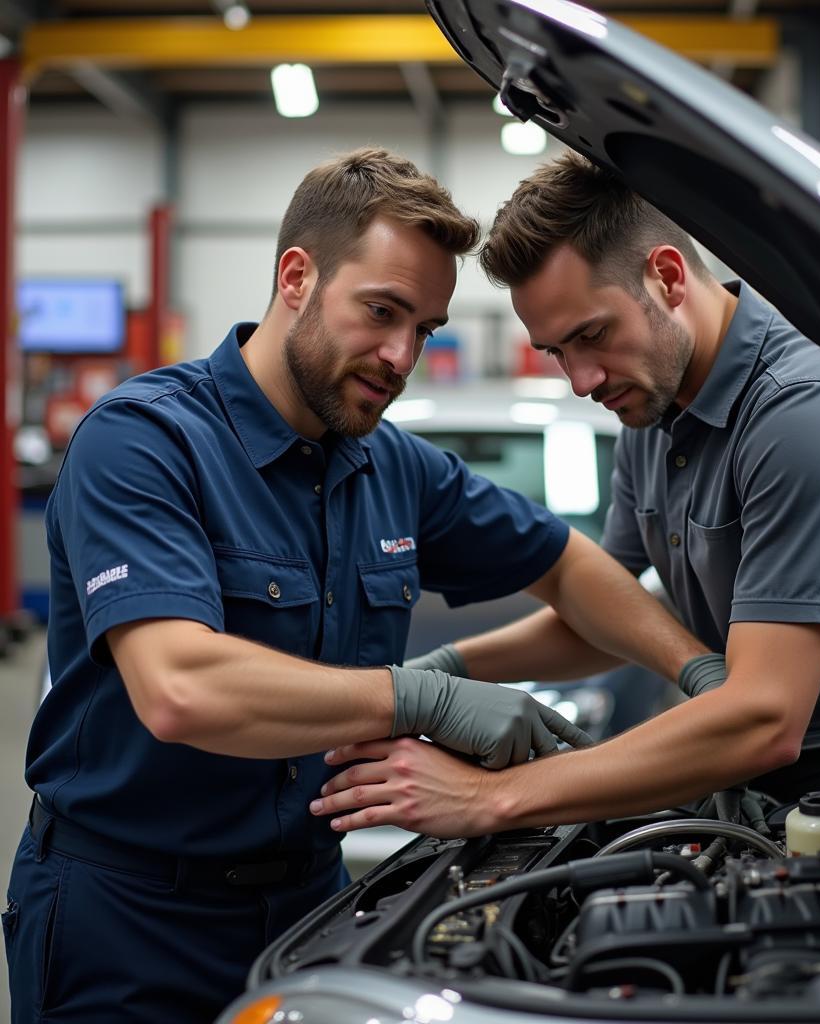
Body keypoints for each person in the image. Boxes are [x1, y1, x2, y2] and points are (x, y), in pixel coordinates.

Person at [4, 148, 706, 1024]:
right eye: (381, 311)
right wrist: (425, 699)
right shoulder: (145, 444)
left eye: (425, 328)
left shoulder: (389, 465)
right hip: (132, 915)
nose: (400, 354)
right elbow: (180, 687)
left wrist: (700, 676)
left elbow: (564, 563)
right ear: (296, 277)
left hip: (312, 905)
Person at [312, 151, 820, 840]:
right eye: (558, 351)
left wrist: (490, 797)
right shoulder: (654, 410)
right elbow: (604, 612)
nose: (582, 380)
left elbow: (764, 720)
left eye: (592, 335)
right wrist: (448, 672)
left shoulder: (807, 417)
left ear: (667, 276)